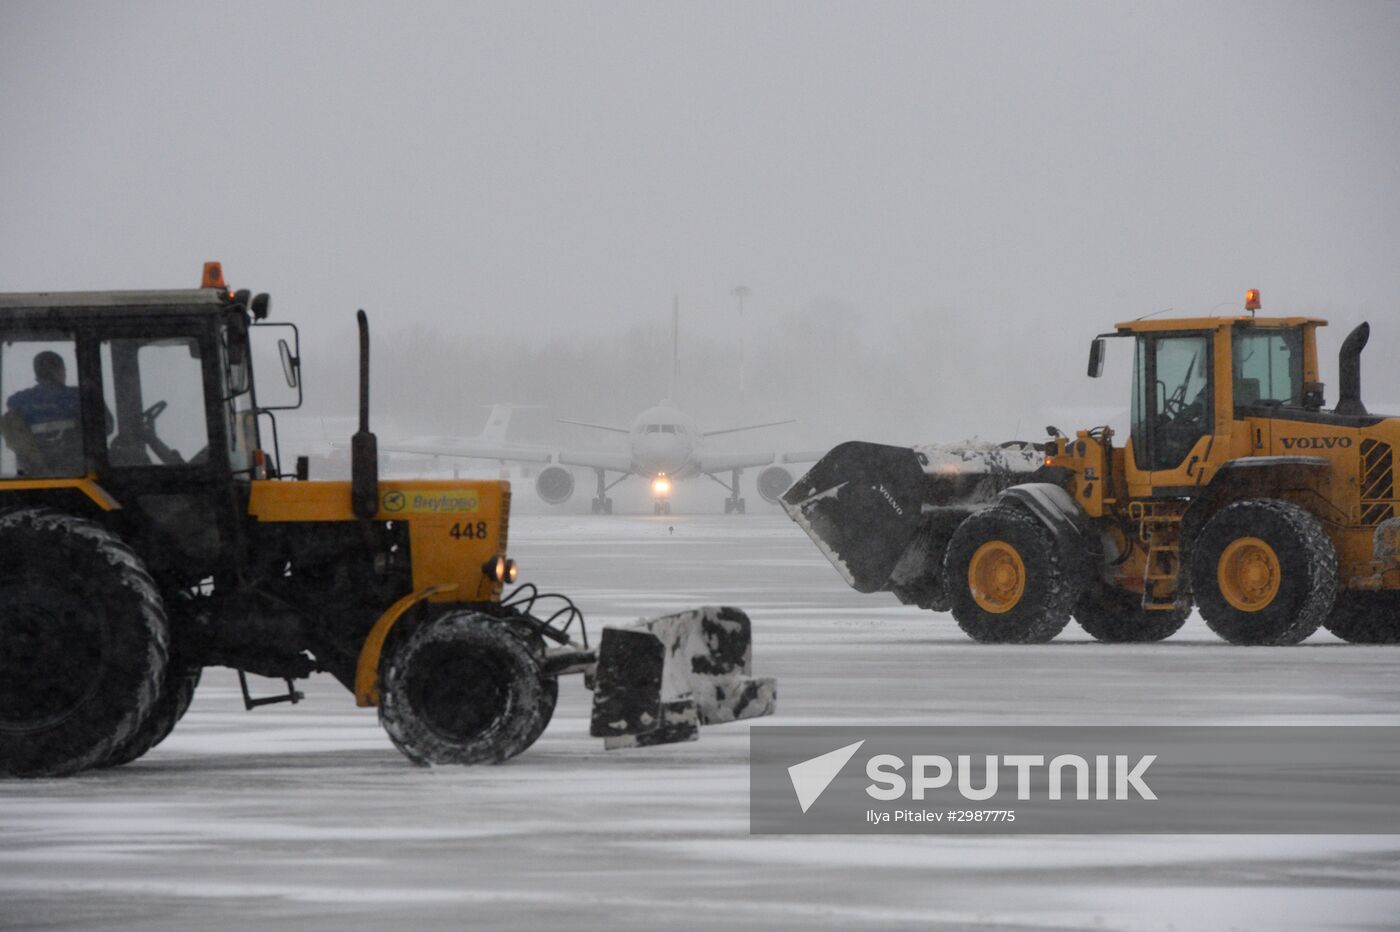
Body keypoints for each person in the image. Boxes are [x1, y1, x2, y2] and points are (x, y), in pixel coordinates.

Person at [1, 351, 83, 475]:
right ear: (59, 370)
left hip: (33, 476)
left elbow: (13, 435)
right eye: (64, 370)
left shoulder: (18, 402)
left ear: (37, 373)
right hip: (76, 473)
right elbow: (106, 426)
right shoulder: (80, 397)